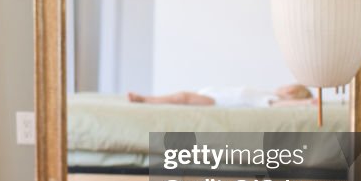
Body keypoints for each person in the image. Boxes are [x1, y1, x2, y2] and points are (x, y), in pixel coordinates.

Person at [127, 83, 316, 108]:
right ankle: (146, 99)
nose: (284, 87)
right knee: (182, 96)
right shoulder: (268, 92)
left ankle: (146, 100)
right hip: (215, 94)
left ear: (291, 93)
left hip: (219, 101)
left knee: (182, 97)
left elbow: (277, 106)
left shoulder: (273, 100)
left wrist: (307, 102)